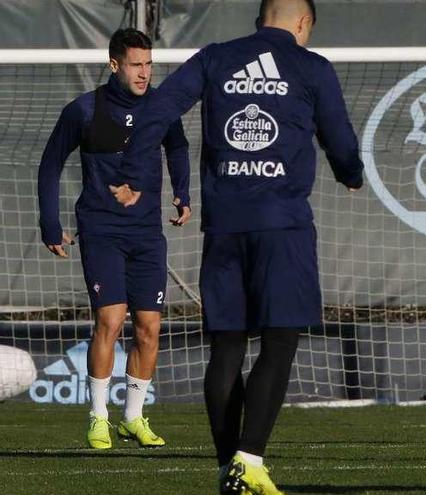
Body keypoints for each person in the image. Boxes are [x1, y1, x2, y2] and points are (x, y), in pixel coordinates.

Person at [110, 0, 363, 492]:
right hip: (282, 227)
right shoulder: (311, 67)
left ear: (260, 18)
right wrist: (349, 173)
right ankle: (249, 459)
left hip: (224, 228)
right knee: (280, 341)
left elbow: (158, 108)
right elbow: (339, 137)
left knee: (226, 347)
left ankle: (230, 466)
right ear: (304, 23)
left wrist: (133, 172)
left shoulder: (215, 57)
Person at [37, 28, 191, 450]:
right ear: (114, 65)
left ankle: (133, 418)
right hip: (101, 229)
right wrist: (50, 223)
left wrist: (182, 191)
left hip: (146, 233)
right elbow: (50, 165)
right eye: (136, 64)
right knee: (110, 320)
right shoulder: (84, 110)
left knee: (149, 328)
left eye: (149, 64)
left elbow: (178, 148)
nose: (145, 73)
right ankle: (98, 417)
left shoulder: (162, 107)